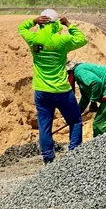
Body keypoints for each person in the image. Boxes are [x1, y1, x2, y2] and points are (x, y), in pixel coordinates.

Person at [18, 9, 88, 164]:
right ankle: (74, 154)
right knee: (75, 121)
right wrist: (68, 24)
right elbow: (82, 39)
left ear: (42, 23)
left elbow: (21, 28)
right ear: (56, 23)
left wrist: (33, 21)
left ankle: (48, 158)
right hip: (62, 90)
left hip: (42, 91)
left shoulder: (34, 39)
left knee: (44, 126)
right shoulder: (61, 41)